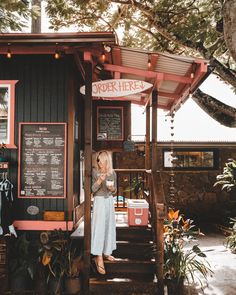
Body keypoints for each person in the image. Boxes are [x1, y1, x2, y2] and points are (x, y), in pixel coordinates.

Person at [91, 150, 117, 275]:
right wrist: (99, 181)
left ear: (107, 161)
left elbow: (114, 190)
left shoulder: (112, 173)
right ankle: (98, 256)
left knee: (109, 227)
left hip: (109, 201)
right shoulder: (95, 172)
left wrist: (112, 189)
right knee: (99, 227)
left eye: (101, 161)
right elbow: (92, 190)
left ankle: (106, 251)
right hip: (99, 201)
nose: (99, 163)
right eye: (98, 161)